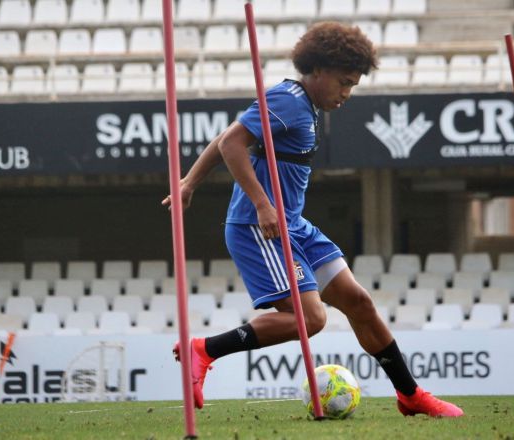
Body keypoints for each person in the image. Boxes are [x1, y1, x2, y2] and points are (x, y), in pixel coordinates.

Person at [163, 22, 463, 418]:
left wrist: (188, 183)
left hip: (293, 224)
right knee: (311, 318)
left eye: (352, 85)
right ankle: (204, 350)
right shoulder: (288, 100)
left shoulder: (302, 105)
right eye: (343, 83)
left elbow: (225, 138)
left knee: (359, 301)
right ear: (318, 70)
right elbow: (232, 143)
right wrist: (261, 204)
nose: (346, 94)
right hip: (260, 228)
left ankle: (411, 396)